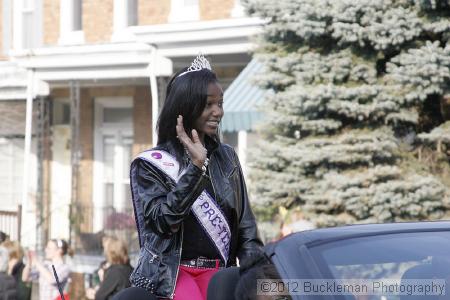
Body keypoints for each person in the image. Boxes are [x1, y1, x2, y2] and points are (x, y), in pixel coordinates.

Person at [129, 54, 264, 299]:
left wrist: (257, 277)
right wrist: (195, 168)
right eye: (208, 104)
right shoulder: (149, 165)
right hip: (172, 276)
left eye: (220, 103)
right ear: (185, 108)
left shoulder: (227, 158)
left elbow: (246, 229)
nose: (218, 112)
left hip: (220, 273)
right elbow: (163, 222)